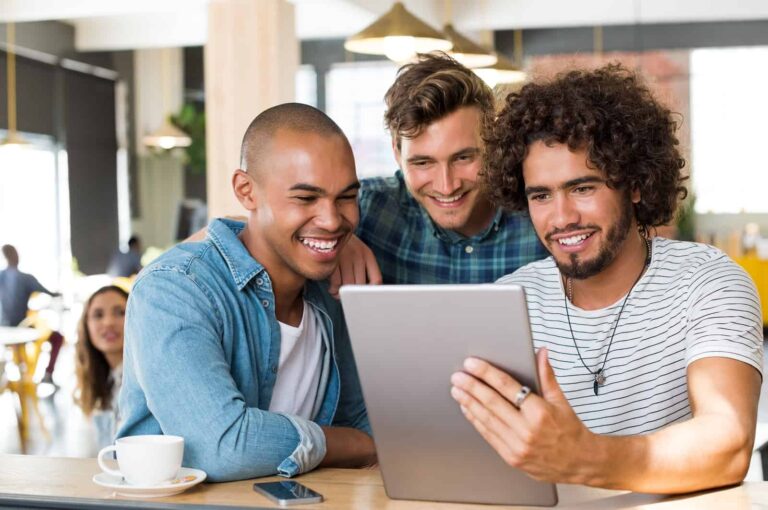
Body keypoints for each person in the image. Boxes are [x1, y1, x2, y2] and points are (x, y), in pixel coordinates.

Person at [450, 64, 763, 494]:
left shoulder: (708, 282)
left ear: (634, 185)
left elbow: (727, 442)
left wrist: (583, 457)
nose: (561, 218)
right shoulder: (510, 299)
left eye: (583, 188)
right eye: (541, 195)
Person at [117, 103, 375, 482]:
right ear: (245, 191)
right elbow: (222, 448)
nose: (332, 220)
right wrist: (353, 445)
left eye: (346, 197)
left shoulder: (329, 288)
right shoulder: (173, 289)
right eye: (306, 198)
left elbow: (366, 421)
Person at [328, 53, 546, 292]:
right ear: (397, 154)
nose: (447, 186)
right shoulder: (366, 210)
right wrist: (336, 240)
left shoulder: (539, 212)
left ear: (491, 144)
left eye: (463, 158)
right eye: (423, 163)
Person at [0, 244, 64, 385]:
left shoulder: (1, 276)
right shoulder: (25, 278)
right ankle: (48, 373)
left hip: (4, 331)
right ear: (15, 256)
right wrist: (60, 293)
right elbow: (50, 293)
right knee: (58, 338)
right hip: (23, 329)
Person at [74, 285, 128, 449]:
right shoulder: (101, 380)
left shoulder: (146, 382)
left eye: (120, 312)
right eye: (98, 315)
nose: (109, 322)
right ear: (86, 325)